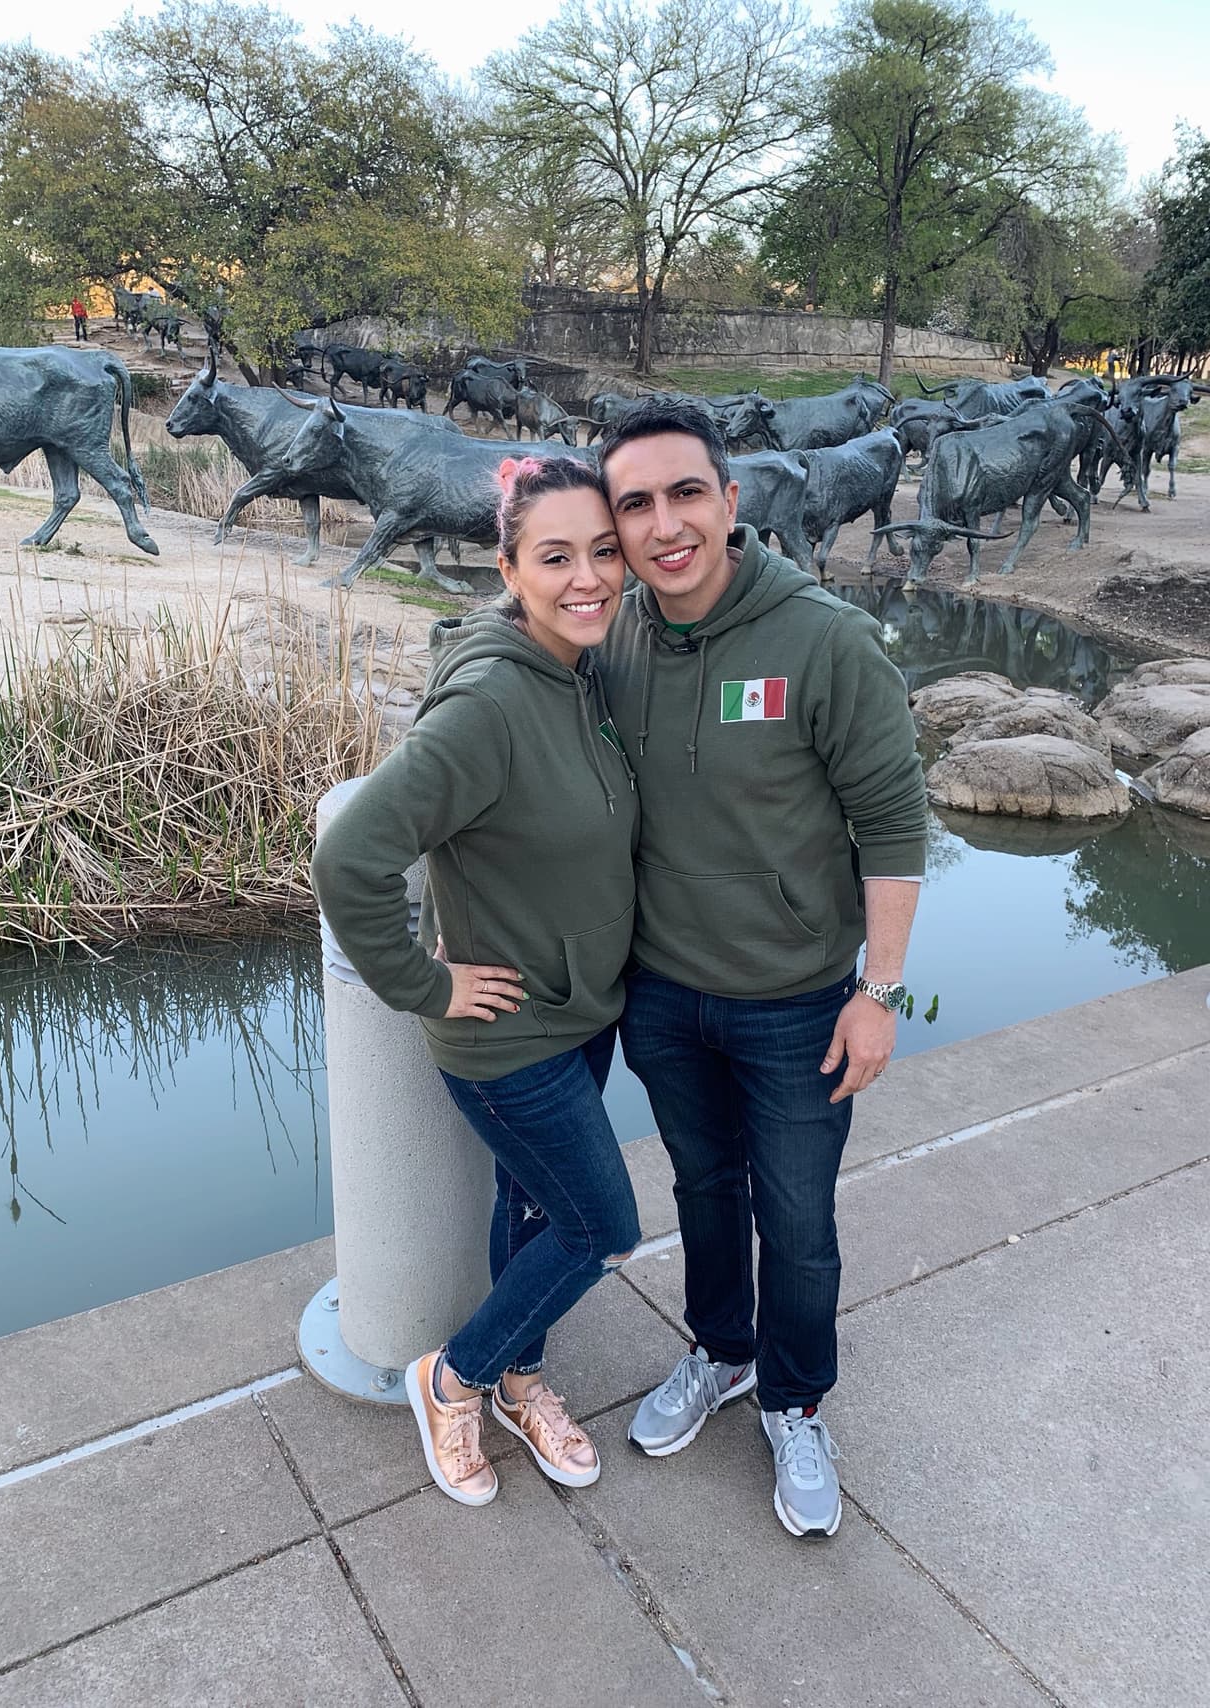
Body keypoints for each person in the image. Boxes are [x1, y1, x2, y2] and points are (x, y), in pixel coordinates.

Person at [595, 397, 927, 1538]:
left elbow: (892, 824)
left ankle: (793, 1398)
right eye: (633, 503)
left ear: (731, 502)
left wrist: (875, 994)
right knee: (701, 1191)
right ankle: (722, 1352)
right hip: (664, 996)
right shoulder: (613, 634)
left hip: (796, 1004)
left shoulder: (822, 639)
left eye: (684, 492)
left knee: (794, 1219)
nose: (662, 522)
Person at [311, 455, 641, 1508]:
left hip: (580, 1011)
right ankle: (452, 1376)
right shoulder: (493, 698)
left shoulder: (577, 665)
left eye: (603, 552)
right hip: (507, 1038)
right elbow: (350, 857)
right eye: (555, 556)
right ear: (508, 565)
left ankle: (518, 1378)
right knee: (601, 1226)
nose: (587, 576)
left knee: (532, 1204)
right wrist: (424, 982)